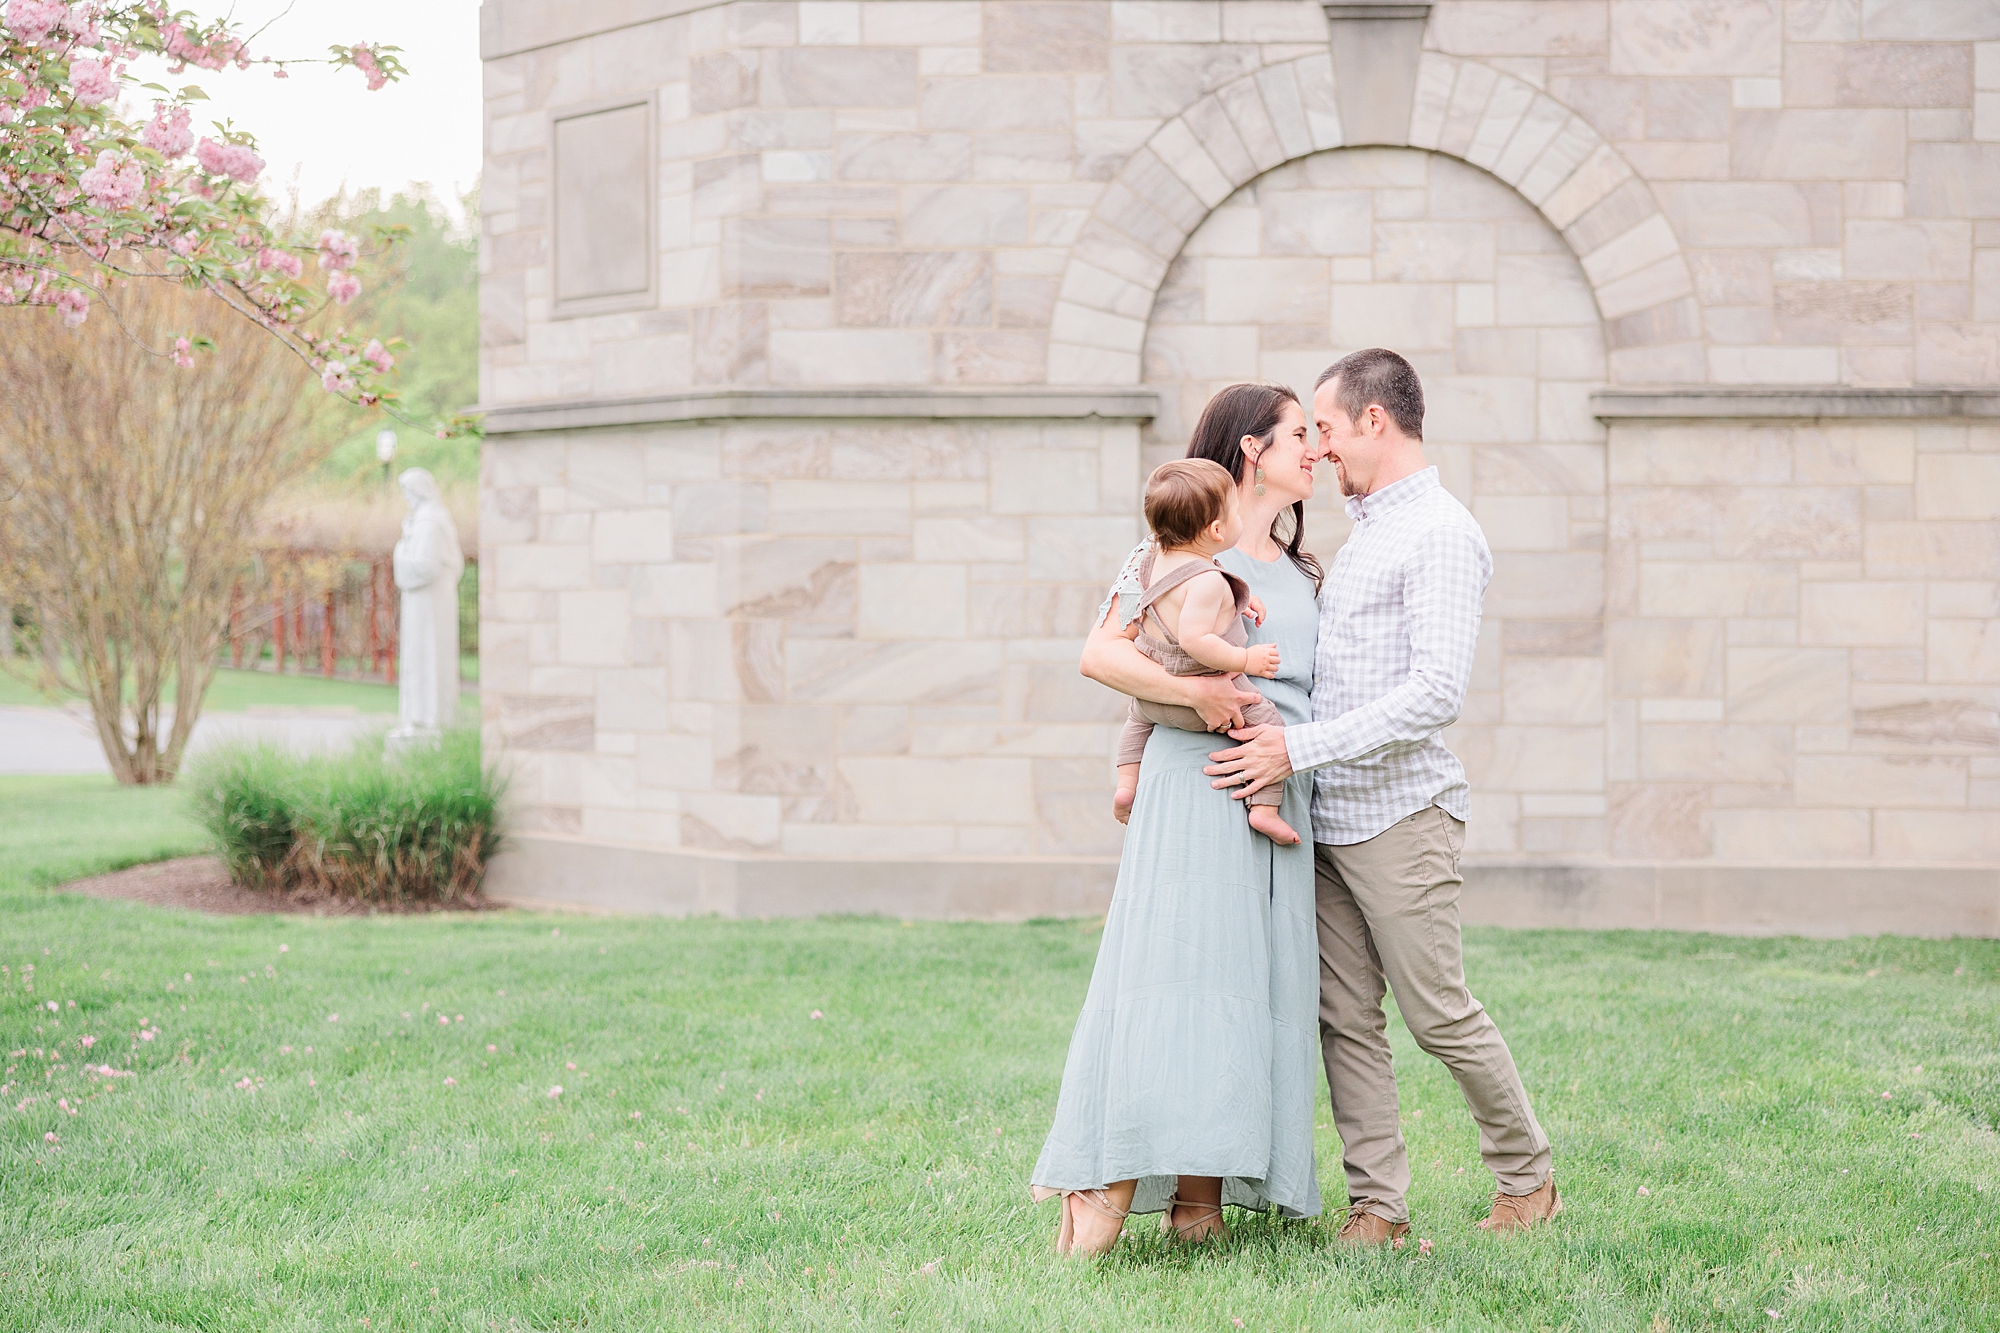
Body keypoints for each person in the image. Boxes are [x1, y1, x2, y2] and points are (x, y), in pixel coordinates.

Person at [1204, 348, 1560, 1243]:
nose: (1317, 449)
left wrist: (1299, 746)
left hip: (1402, 815)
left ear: (1373, 420)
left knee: (1438, 1012)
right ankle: (1379, 1209)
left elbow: (1438, 690)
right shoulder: (1365, 532)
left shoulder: (1439, 530)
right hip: (1325, 816)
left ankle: (1528, 1177)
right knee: (1345, 1020)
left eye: (1324, 427)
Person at [1030, 383, 1326, 1254]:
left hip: (1274, 793)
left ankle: (1201, 1199)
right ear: (1252, 452)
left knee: (1240, 990)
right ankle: (1104, 1180)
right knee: (1175, 980)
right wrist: (1198, 694)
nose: (1317, 450)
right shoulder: (1168, 552)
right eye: (1300, 435)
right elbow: (1100, 653)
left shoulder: (1304, 569)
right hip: (1192, 791)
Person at [1110, 457, 1299, 847]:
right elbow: (1197, 639)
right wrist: (1247, 660)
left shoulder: (1151, 564)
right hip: (1204, 696)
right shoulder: (1209, 581)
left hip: (1151, 701)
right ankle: (1264, 810)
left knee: (1134, 721)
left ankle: (1127, 783)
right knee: (1269, 723)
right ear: (1216, 529)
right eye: (1234, 512)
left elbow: (1182, 604)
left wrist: (1240, 601)